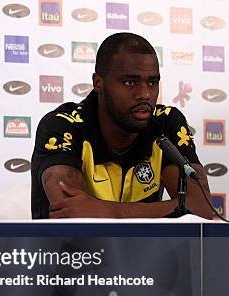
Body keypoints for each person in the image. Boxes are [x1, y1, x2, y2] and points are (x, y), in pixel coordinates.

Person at [31, 32, 213, 219]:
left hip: (142, 248)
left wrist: (110, 210)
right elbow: (71, 213)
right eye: (130, 82)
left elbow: (201, 207)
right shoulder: (62, 126)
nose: (144, 94)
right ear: (98, 83)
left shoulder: (166, 123)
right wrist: (167, 209)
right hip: (74, 249)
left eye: (152, 82)